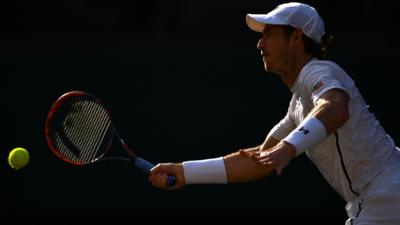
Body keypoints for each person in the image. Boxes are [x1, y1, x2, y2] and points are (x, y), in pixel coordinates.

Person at [148, 2, 400, 224]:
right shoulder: (298, 107)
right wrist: (184, 172)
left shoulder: (319, 71)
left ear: (296, 38)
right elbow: (258, 160)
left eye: (270, 34)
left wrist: (288, 147)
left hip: (386, 194)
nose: (260, 43)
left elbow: (335, 108)